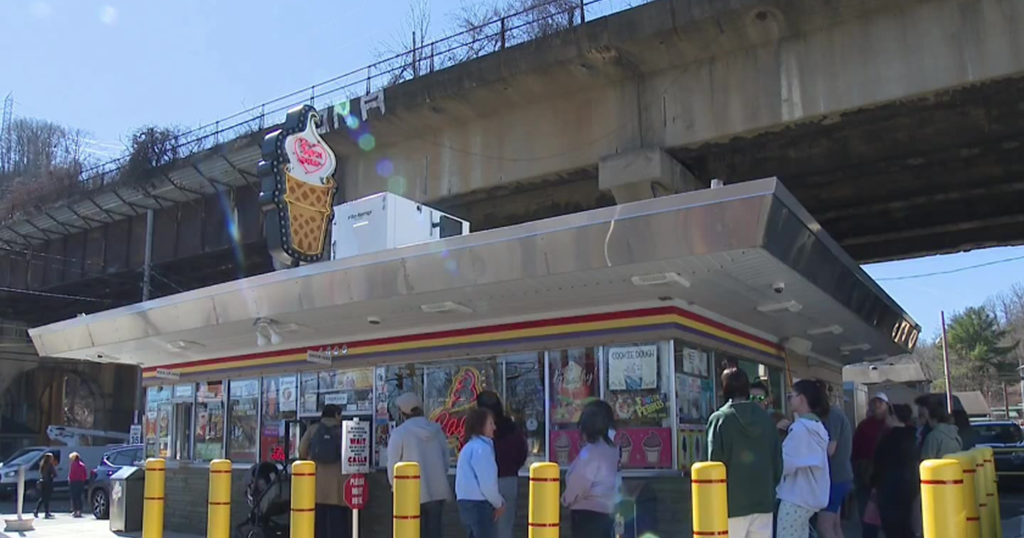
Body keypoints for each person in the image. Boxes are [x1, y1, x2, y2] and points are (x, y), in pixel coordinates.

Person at [706, 368, 782, 538]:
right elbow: (778, 462)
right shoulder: (766, 419)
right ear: (747, 388)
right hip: (763, 501)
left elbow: (713, 464)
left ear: (723, 388)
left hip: (731, 504)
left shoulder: (720, 419)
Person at [387, 393, 453, 538]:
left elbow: (393, 466)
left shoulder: (400, 433)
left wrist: (397, 489)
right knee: (435, 533)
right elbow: (446, 461)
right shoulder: (436, 430)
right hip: (437, 491)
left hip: (410, 493)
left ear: (402, 411)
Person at [776, 379, 831, 538]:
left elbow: (784, 464)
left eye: (790, 396)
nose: (789, 400)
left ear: (801, 398)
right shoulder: (817, 427)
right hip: (810, 499)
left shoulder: (800, 429)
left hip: (795, 499)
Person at [562, 400, 620, 538]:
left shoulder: (591, 452)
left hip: (587, 515)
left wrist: (565, 499)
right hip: (606, 513)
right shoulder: (611, 449)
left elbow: (579, 483)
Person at [474, 391, 527, 538]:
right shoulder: (512, 427)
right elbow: (522, 453)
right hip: (509, 479)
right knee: (504, 529)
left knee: (483, 529)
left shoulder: (479, 431)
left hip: (483, 483)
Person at [299, 404, 350, 538]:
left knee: (319, 525)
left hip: (317, 485)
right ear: (336, 415)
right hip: (339, 487)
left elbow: (301, 451)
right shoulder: (344, 430)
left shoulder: (313, 429)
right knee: (339, 526)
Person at [871, 404, 920, 538]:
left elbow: (880, 464)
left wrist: (874, 484)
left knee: (893, 529)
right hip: (909, 488)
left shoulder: (889, 439)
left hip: (890, 491)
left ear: (894, 417)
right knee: (906, 526)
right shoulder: (912, 437)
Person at [456, 408, 505, 538]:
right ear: (480, 425)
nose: (494, 427)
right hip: (480, 506)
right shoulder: (482, 449)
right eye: (491, 423)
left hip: (466, 504)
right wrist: (499, 503)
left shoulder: (468, 447)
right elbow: (488, 484)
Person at [815, 381, 854, 538]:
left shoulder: (831, 415)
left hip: (834, 478)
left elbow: (830, 449)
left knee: (823, 527)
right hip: (840, 477)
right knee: (835, 525)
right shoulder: (835, 414)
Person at [851, 393, 890, 538]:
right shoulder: (864, 426)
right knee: (866, 517)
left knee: (887, 517)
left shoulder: (892, 425)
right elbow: (855, 451)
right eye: (875, 402)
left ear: (887, 405)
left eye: (881, 402)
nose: (877, 405)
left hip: (886, 478)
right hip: (865, 476)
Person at [34, 452, 57, 519]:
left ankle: (38, 511)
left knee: (43, 498)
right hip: (48, 482)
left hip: (43, 482)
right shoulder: (50, 465)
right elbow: (54, 474)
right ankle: (46, 512)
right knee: (47, 498)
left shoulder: (43, 465)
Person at [68, 452, 88, 518]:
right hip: (80, 482)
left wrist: (70, 480)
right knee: (79, 497)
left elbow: (71, 474)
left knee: (74, 497)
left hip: (73, 482)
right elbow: (85, 474)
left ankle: (75, 510)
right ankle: (79, 511)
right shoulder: (82, 465)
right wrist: (83, 480)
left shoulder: (73, 464)